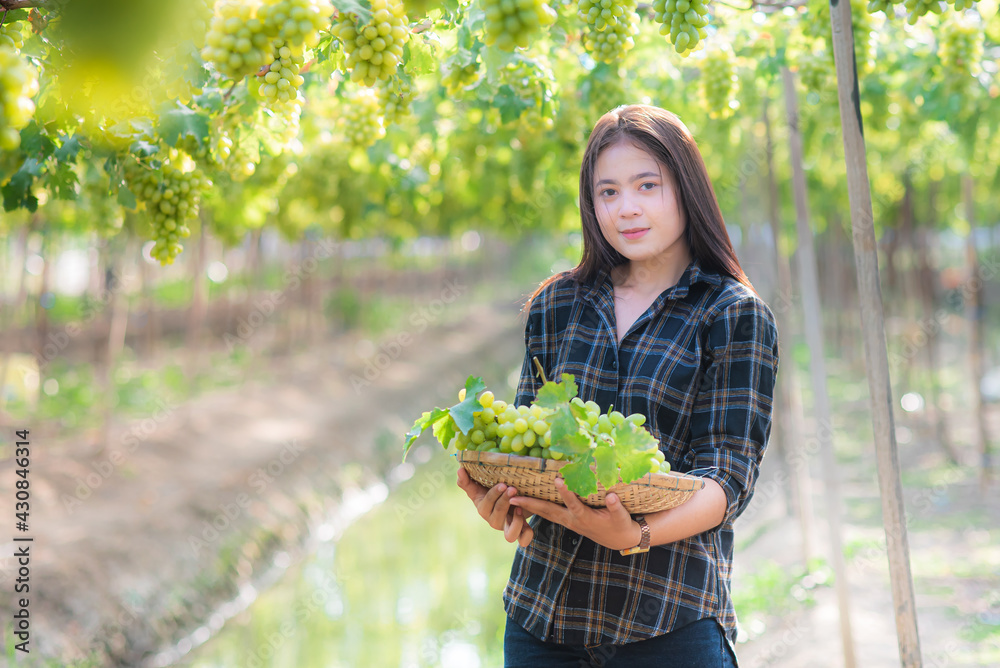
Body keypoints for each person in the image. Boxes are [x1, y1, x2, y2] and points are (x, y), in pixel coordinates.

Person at [457, 104, 780, 667]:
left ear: (686, 188)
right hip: (542, 618)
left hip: (667, 622)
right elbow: (527, 443)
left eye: (646, 185)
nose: (626, 208)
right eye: (607, 192)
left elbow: (728, 480)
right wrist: (504, 503)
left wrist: (633, 536)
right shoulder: (558, 304)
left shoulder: (732, 314)